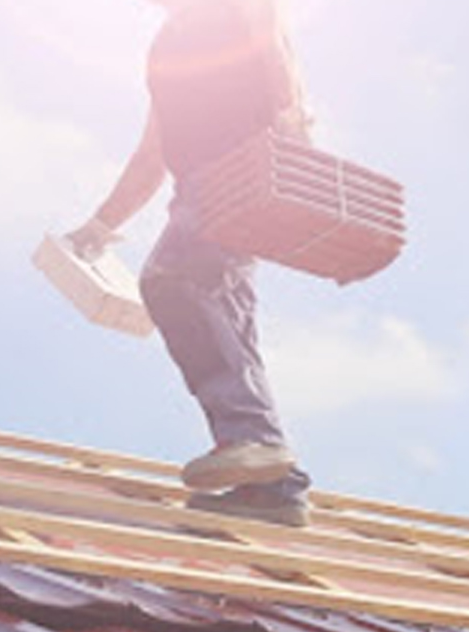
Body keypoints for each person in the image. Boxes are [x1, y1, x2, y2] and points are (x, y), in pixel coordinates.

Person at [69, 0, 311, 527]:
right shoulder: (164, 49)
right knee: (227, 322)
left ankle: (254, 439)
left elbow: (273, 43)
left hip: (242, 171)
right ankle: (274, 488)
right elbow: (153, 154)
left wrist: (290, 121)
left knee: (172, 282)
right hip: (199, 188)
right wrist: (99, 226)